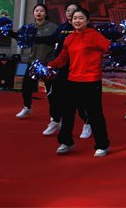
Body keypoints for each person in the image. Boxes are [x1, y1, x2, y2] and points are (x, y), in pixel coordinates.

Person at [47, 8, 111, 157]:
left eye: (81, 18)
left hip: (91, 81)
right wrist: (48, 66)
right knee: (67, 113)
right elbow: (62, 59)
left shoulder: (94, 35)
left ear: (87, 20)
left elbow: (109, 48)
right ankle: (66, 142)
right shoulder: (69, 38)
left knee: (95, 114)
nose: (77, 21)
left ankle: (102, 145)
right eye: (75, 18)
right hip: (72, 80)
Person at [42, 3, 91, 139]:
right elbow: (51, 40)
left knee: (79, 99)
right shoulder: (61, 28)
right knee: (54, 95)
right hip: (61, 68)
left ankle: (87, 122)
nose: (70, 13)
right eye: (68, 10)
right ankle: (56, 120)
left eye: (73, 11)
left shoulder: (86, 29)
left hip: (78, 69)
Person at [13, 4, 58, 119]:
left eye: (41, 11)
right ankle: (27, 107)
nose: (39, 13)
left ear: (46, 13)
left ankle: (55, 114)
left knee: (50, 90)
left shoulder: (53, 27)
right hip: (32, 61)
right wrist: (8, 32)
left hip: (48, 62)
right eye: (36, 10)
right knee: (26, 86)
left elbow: (54, 40)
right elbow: (19, 37)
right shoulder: (30, 27)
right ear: (33, 13)